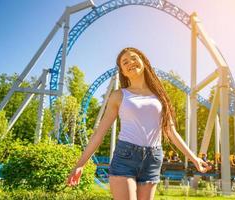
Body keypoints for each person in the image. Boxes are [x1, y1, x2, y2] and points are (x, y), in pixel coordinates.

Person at [66, 47, 210, 200]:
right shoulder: (119, 96)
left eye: (134, 58)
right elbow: (99, 134)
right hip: (125, 157)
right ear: (123, 71)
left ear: (143, 61)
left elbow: (171, 132)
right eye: (125, 62)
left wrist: (194, 159)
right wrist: (80, 164)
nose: (130, 63)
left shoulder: (160, 96)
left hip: (153, 158)